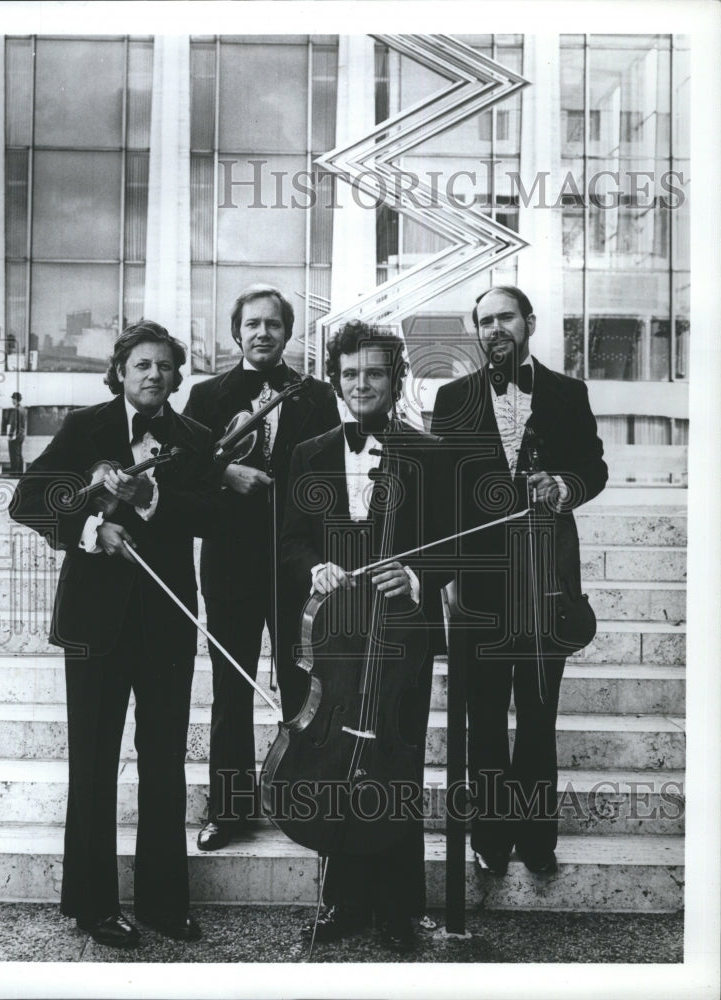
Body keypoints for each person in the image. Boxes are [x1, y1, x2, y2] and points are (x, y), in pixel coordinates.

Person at [9, 321, 222, 948]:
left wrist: (152, 499)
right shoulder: (85, 429)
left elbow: (214, 514)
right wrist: (89, 530)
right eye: (141, 365)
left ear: (178, 377)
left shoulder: (194, 438)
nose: (153, 374)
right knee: (94, 763)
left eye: (164, 366)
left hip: (166, 623)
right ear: (121, 374)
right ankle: (92, 904)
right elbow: (28, 499)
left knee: (164, 763)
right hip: (93, 622)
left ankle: (163, 901)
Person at [280, 321, 450, 953]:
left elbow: (456, 543)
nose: (361, 384)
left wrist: (415, 572)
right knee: (334, 758)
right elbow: (292, 540)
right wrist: (312, 567)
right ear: (335, 380)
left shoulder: (428, 451)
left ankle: (400, 908)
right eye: (350, 374)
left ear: (395, 378)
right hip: (333, 631)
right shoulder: (311, 451)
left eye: (374, 373)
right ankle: (341, 902)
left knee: (394, 758)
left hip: (401, 628)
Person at [431, 285, 607, 878]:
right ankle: (489, 836)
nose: (495, 328)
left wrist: (564, 488)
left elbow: (593, 466)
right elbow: (444, 490)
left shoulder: (567, 392)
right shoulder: (452, 396)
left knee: (538, 712)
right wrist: (449, 579)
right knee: (483, 716)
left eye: (505, 317)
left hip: (547, 579)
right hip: (479, 581)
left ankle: (537, 838)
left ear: (529, 322)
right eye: (484, 321)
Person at [183, 285, 340, 850]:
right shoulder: (206, 395)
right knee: (231, 687)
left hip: (299, 566)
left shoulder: (317, 396)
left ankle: (301, 797)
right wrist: (227, 476)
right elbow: (181, 473)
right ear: (237, 332)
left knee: (303, 683)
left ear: (287, 332)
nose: (263, 333)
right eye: (252, 324)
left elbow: (330, 481)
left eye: (273, 324)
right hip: (230, 563)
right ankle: (229, 809)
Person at [7, 391, 27, 474]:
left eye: (13, 399)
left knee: (13, 454)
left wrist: (10, 435)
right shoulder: (23, 409)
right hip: (21, 434)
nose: (12, 401)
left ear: (15, 399)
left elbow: (14, 423)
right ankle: (19, 472)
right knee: (19, 453)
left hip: (16, 435)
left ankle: (14, 472)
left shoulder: (16, 410)